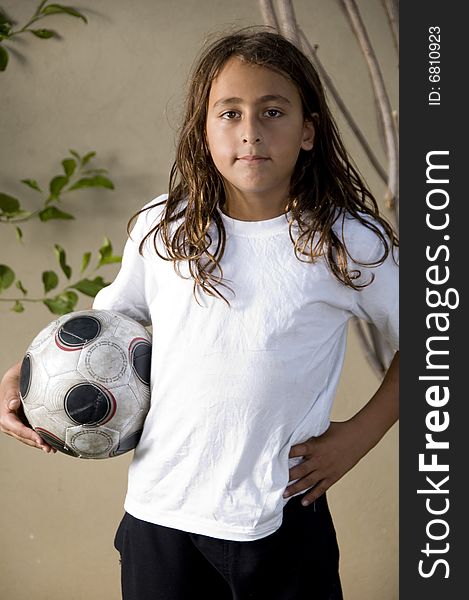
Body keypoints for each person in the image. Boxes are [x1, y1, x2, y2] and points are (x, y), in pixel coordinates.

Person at [0, 28, 399, 600]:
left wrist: (358, 437)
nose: (251, 132)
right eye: (229, 113)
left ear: (308, 130)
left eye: (273, 111)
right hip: (161, 516)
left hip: (283, 516)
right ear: (204, 129)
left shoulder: (346, 243)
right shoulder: (163, 230)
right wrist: (26, 375)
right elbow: (103, 334)